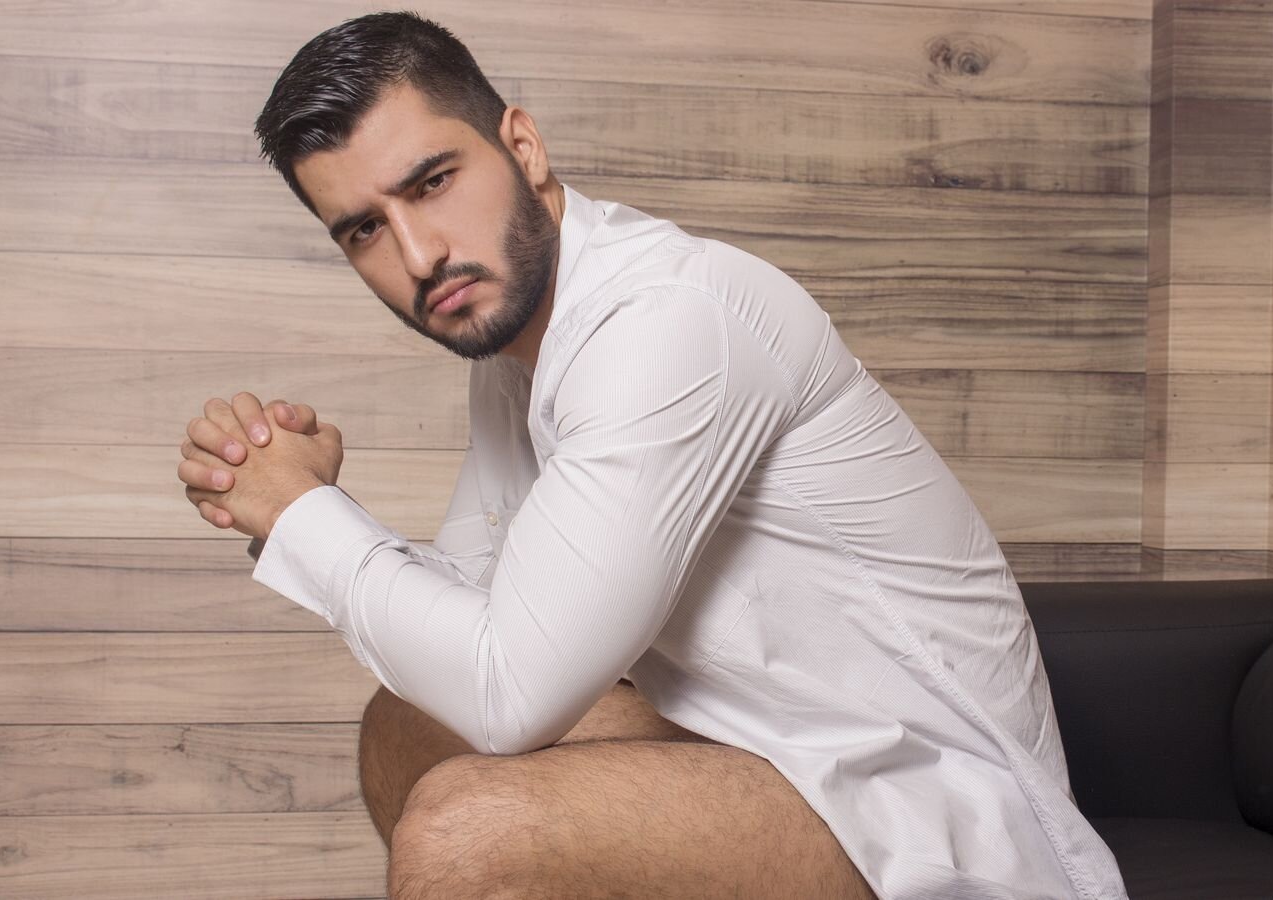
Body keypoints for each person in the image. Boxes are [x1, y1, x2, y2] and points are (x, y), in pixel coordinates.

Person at [174, 11, 1126, 900]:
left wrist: (298, 513)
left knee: (469, 830)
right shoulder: (516, 355)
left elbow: (510, 696)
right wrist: (312, 502)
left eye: (432, 183)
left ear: (523, 147)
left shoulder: (667, 324)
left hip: (935, 806)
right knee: (406, 722)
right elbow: (481, 615)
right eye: (366, 229)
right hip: (769, 744)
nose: (420, 255)